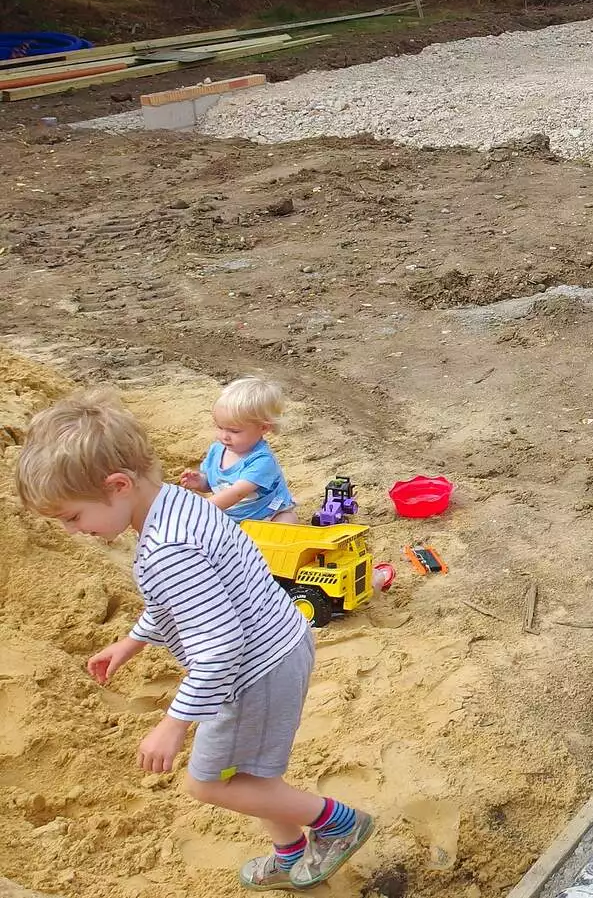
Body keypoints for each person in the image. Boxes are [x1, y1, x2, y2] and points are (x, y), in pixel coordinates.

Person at [14, 389, 373, 890]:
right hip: (271, 649)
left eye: (74, 517)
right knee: (249, 776)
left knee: (209, 782)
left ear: (118, 485)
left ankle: (337, 823)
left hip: (255, 670)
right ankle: (291, 854)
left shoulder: (167, 549)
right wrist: (133, 641)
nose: (77, 532)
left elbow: (219, 643)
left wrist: (173, 722)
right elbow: (186, 604)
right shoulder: (175, 502)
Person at [180, 377, 298, 523]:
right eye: (220, 427)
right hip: (231, 516)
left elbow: (237, 493)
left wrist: (201, 509)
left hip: (266, 514)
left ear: (263, 428)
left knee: (286, 522)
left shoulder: (262, 461)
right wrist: (200, 482)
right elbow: (215, 484)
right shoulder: (216, 451)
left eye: (234, 431)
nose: (224, 436)